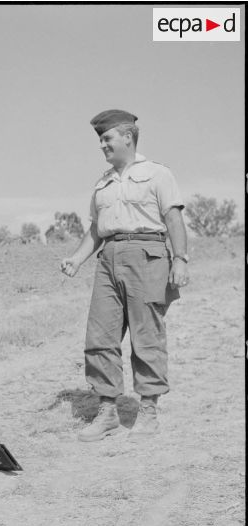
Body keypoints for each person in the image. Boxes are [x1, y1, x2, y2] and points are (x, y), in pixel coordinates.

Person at [60, 110, 189, 442]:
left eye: (107, 138)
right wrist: (77, 259)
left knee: (147, 337)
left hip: (148, 255)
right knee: (100, 337)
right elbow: (95, 229)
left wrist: (181, 260)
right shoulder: (102, 182)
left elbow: (173, 219)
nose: (102, 145)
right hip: (108, 259)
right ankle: (107, 413)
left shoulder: (158, 174)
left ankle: (148, 411)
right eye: (100, 140)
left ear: (128, 137)